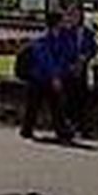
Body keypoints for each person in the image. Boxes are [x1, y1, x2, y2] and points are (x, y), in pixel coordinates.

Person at [19, 12, 75, 143]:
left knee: (57, 105)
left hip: (52, 77)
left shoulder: (64, 38)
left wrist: (63, 72)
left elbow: (66, 55)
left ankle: (62, 130)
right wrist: (54, 76)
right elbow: (45, 60)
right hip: (39, 77)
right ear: (56, 23)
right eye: (63, 20)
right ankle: (27, 129)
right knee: (33, 105)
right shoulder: (42, 40)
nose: (66, 22)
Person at [60, 6, 98, 136]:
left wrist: (85, 57)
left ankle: (81, 126)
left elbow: (93, 49)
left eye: (77, 15)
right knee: (67, 98)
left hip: (82, 70)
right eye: (72, 15)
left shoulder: (88, 32)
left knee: (82, 98)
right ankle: (68, 125)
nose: (75, 18)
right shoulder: (64, 32)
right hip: (67, 69)